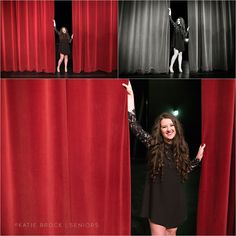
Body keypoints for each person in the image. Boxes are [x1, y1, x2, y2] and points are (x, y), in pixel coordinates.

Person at [122, 81, 206, 236]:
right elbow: (134, 126)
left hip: (175, 201)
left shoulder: (181, 148)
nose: (169, 129)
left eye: (171, 125)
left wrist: (197, 159)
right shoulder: (153, 144)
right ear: (159, 130)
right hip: (157, 202)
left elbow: (185, 169)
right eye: (164, 127)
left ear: (176, 127)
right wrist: (130, 97)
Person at [168, 8, 189, 73]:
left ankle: (180, 67)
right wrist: (170, 13)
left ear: (181, 21)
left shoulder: (183, 29)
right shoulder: (175, 26)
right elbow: (171, 20)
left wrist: (187, 31)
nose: (178, 21)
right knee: (175, 54)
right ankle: (171, 66)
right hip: (176, 42)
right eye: (177, 20)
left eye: (179, 20)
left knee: (180, 55)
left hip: (181, 43)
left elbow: (185, 36)